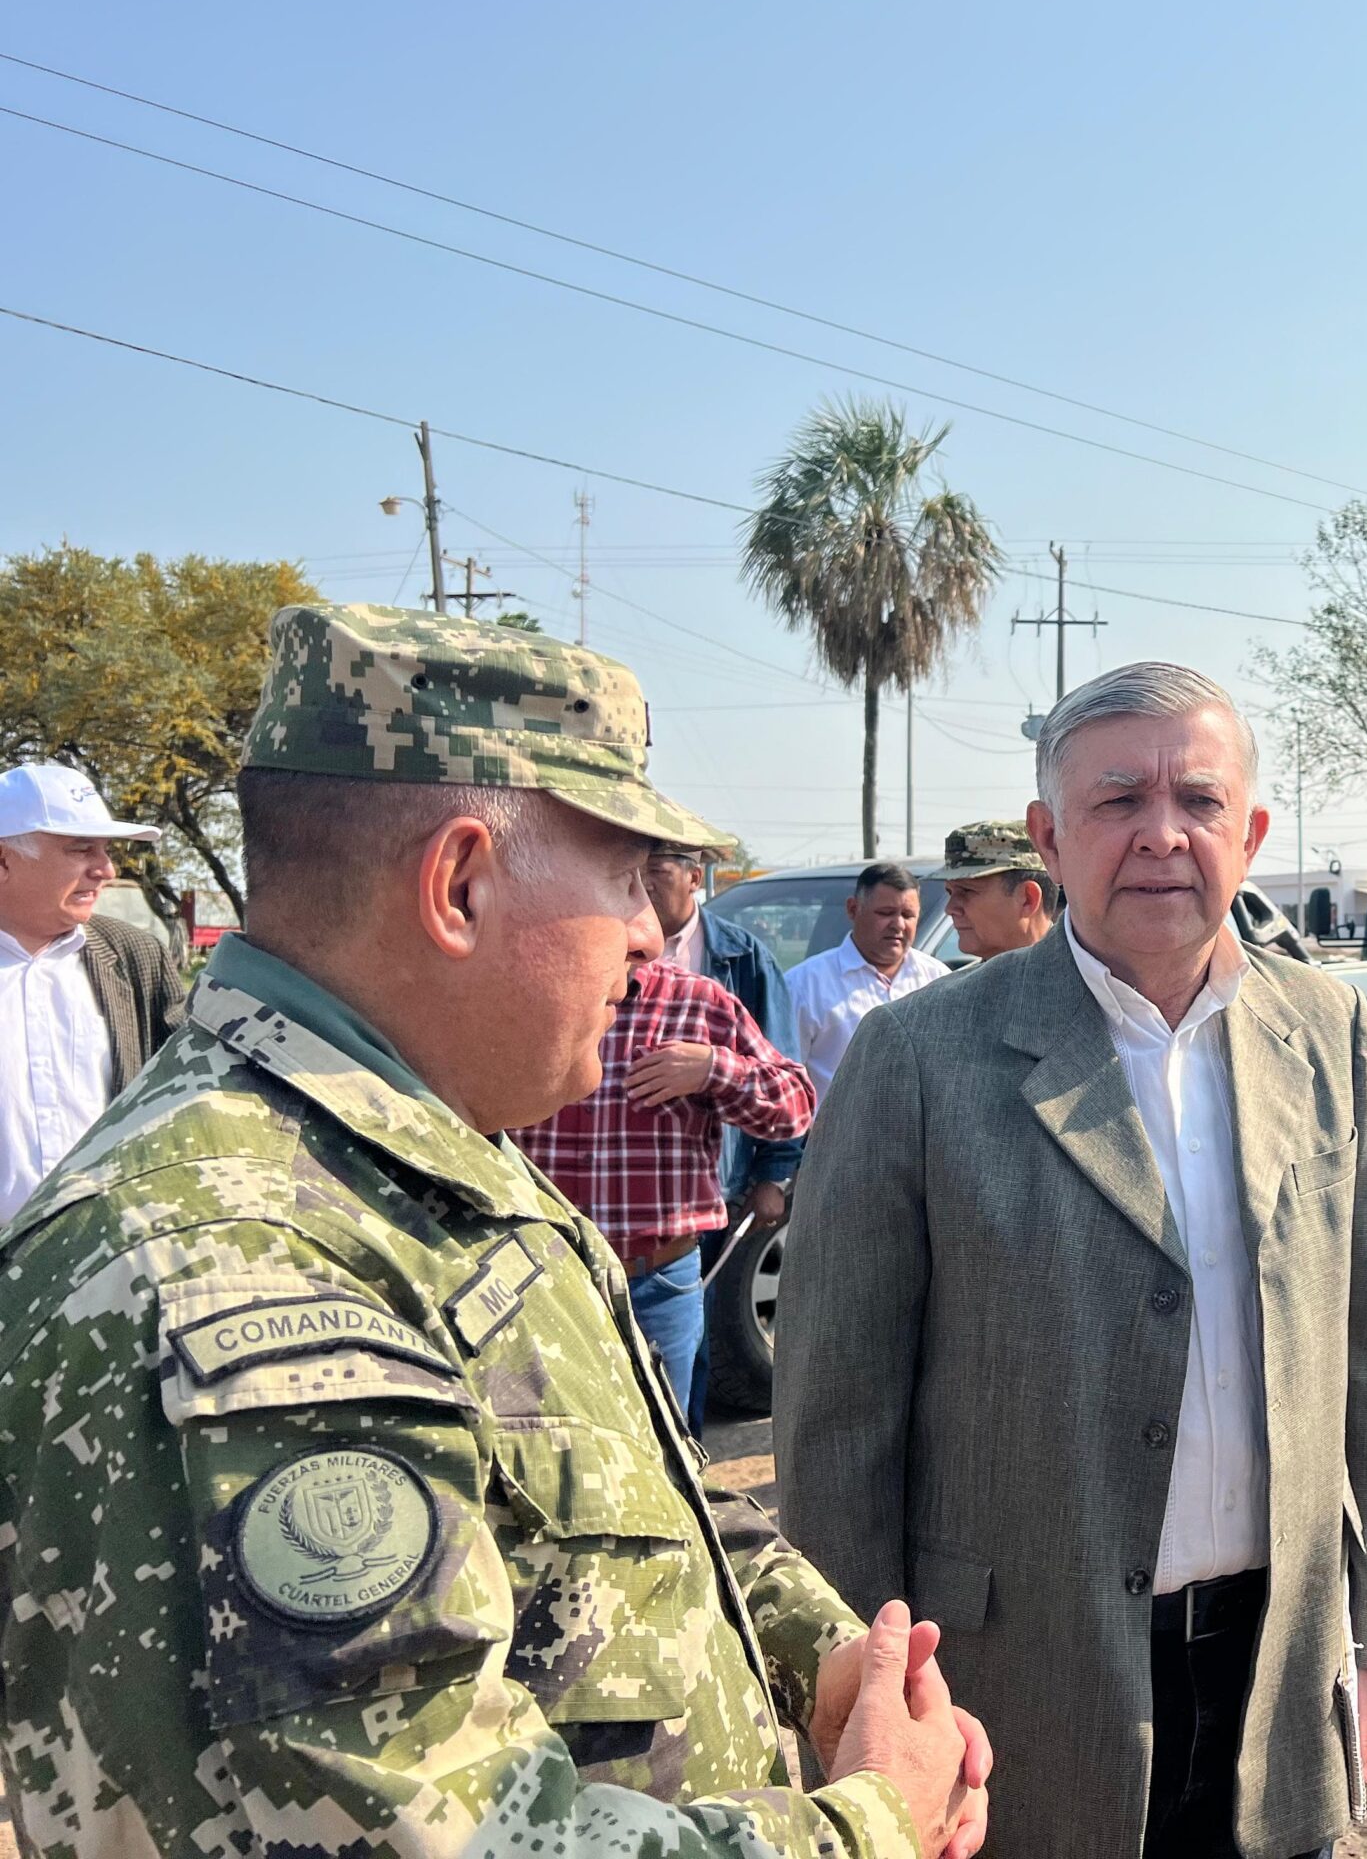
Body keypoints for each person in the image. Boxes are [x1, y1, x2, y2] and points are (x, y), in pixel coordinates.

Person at [0, 603, 988, 1858]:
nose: (650, 932)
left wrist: (829, 1658)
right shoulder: (234, 1265)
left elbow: (615, 1509)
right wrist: (868, 1826)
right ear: (458, 884)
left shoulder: (420, 1160)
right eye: (626, 874)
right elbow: (427, 1834)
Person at [775, 661, 1367, 1859]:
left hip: (1276, 1667)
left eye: (1200, 802)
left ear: (1253, 832)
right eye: (1118, 801)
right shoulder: (918, 1061)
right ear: (1048, 839)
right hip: (1012, 1693)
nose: (1163, 835)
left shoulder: (1326, 1030)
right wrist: (860, 1698)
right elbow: (837, 1423)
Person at [511, 955, 814, 1430]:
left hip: (656, 1282)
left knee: (665, 1450)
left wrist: (714, 1069)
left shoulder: (695, 1001)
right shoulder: (526, 992)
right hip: (547, 1279)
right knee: (553, 1445)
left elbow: (794, 1105)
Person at [644, 843, 804, 1430]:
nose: (642, 883)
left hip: (719, 1186)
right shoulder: (608, 946)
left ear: (694, 877)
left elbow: (782, 1070)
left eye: (656, 870)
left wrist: (773, 1174)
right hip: (625, 1200)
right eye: (633, 869)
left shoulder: (739, 958)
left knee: (695, 1342)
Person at [0, 761, 187, 1219]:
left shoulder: (135, 958)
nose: (105, 869)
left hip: (108, 1266)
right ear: (3, 860)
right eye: (82, 850)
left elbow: (182, 1101)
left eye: (105, 850)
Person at [789, 860, 948, 1097]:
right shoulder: (804, 985)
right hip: (835, 1133)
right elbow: (788, 1079)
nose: (898, 925)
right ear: (853, 909)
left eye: (908, 915)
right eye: (886, 913)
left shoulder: (938, 979)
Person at [935, 818, 1058, 958]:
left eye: (967, 891)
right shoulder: (956, 980)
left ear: (1027, 899)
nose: (950, 909)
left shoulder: (1080, 976)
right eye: (950, 892)